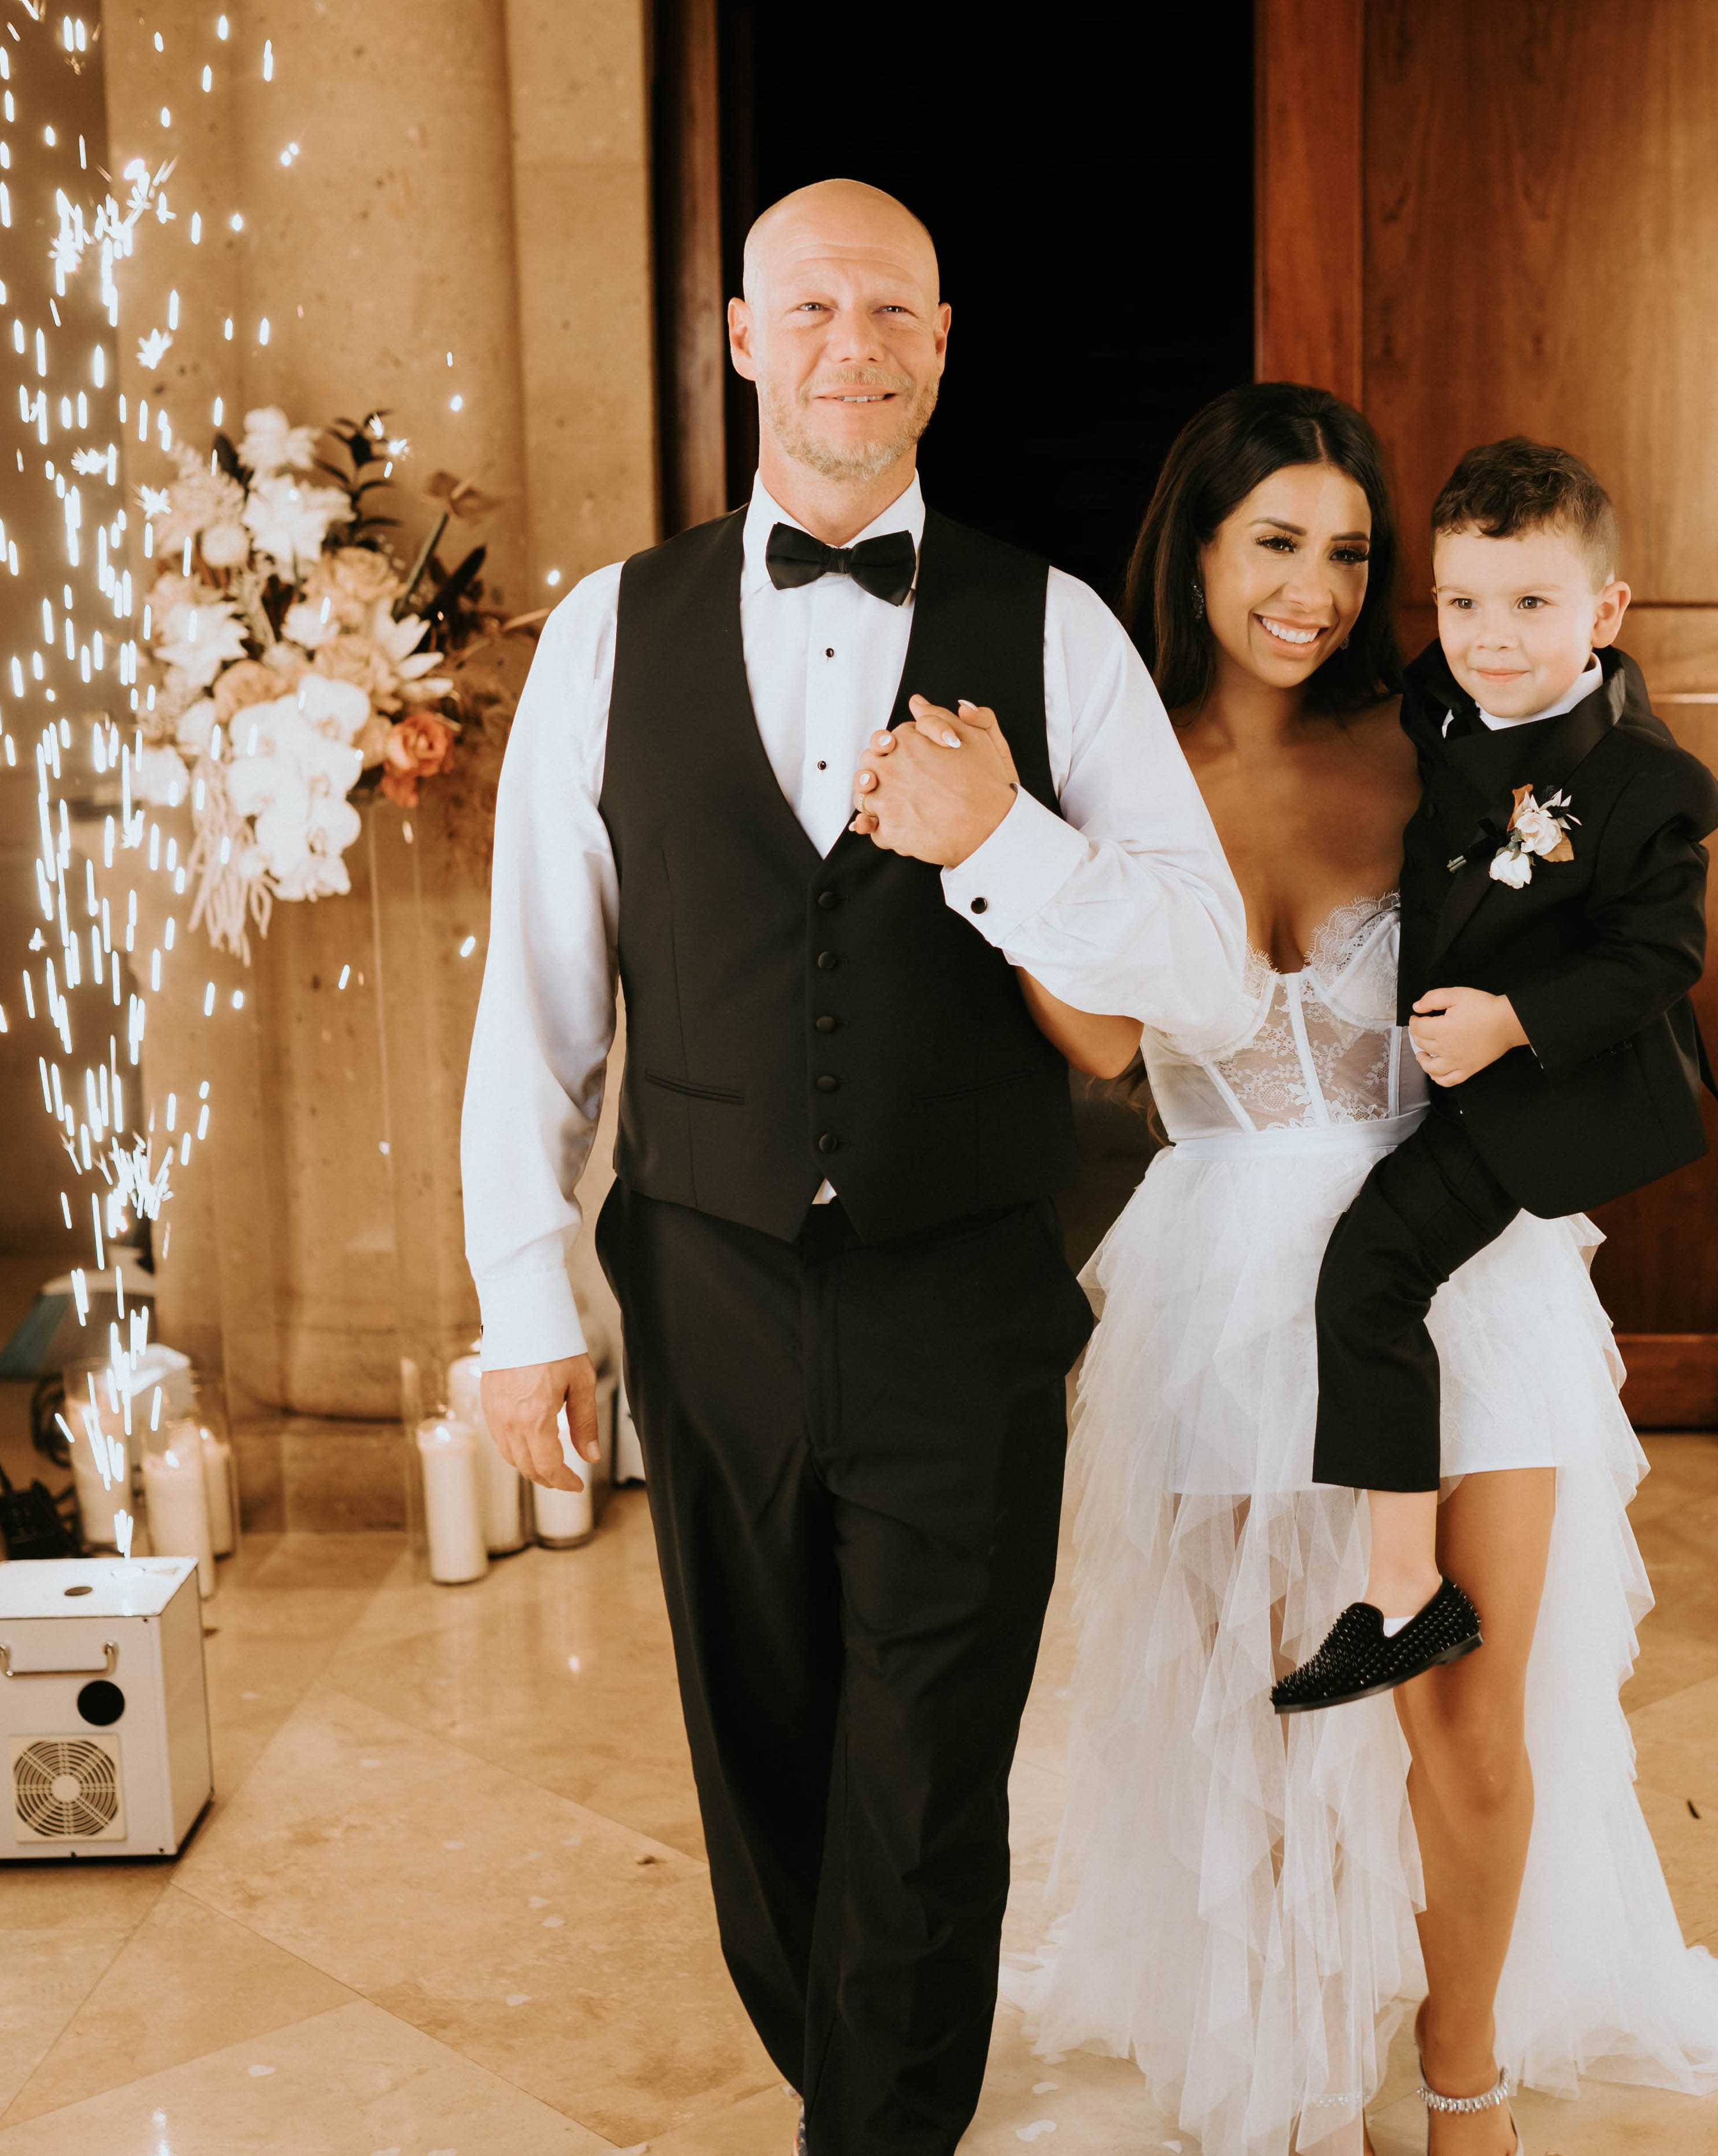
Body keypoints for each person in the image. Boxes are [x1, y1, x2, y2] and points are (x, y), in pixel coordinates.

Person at [457, 180, 1246, 2156]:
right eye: (811, 307)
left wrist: (1000, 840)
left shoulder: (1051, 625)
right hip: (705, 1288)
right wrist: (524, 1304)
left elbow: (1205, 974)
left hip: (961, 1293)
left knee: (926, 1769)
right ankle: (863, 2089)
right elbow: (541, 1001)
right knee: (770, 1767)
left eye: (892, 310)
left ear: (945, 344)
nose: (853, 346)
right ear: (742, 338)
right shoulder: (604, 636)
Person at [1010, 386, 1718, 2156]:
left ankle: (1463, 2095)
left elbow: (1612, 865)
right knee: (1259, 1725)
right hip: (1217, 1289)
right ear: (1196, 552)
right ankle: (1283, 2076)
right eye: (1271, 543)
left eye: (1348, 552)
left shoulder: (1435, 741)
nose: (1311, 588)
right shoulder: (1117, 769)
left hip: (1455, 1252)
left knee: (1467, 1712)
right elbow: (1097, 1044)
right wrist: (1003, 861)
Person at [1273, 438, 1718, 1720]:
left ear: (1605, 611)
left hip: (1530, 1094)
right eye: (1462, 600)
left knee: (1372, 1268)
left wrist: (1513, 1022)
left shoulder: (1643, 786)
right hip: (1422, 1074)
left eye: (1530, 603)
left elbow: (1660, 955)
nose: (1488, 635)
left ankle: (1405, 1596)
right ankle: (1399, 1579)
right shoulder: (1433, 697)